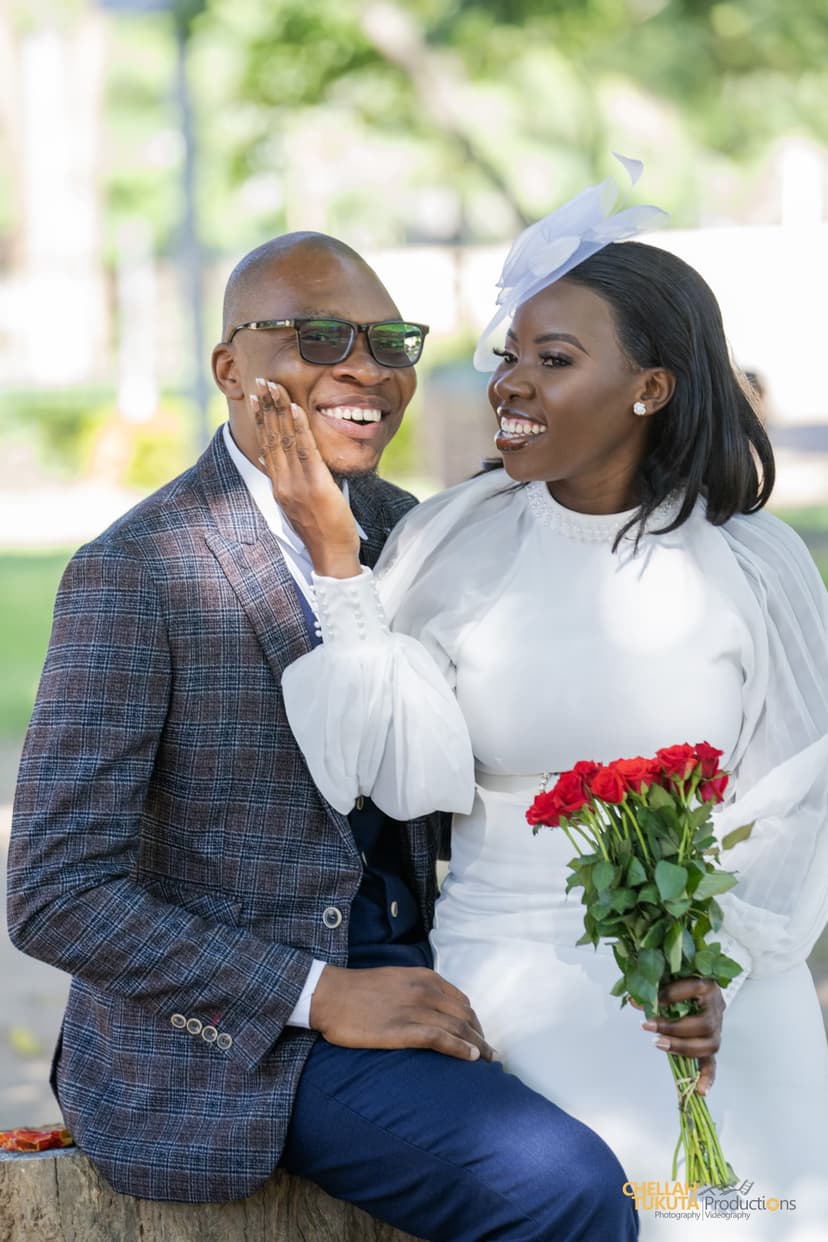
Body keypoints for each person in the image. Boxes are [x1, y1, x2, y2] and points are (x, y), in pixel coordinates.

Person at [6, 231, 639, 1241]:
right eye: (319, 336)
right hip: (248, 1045)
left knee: (690, 1139)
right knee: (557, 1184)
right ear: (229, 367)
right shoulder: (140, 569)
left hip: (457, 968)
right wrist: (315, 993)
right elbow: (55, 895)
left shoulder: (412, 531)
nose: (366, 368)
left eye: (390, 341)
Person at [275, 176, 828, 1241]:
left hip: (710, 978)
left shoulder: (752, 562)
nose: (510, 385)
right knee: (607, 1199)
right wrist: (343, 570)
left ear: (652, 388)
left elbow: (799, 793)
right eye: (510, 356)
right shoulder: (456, 542)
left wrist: (721, 970)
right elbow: (386, 769)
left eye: (554, 360)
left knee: (744, 1213)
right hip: (510, 970)